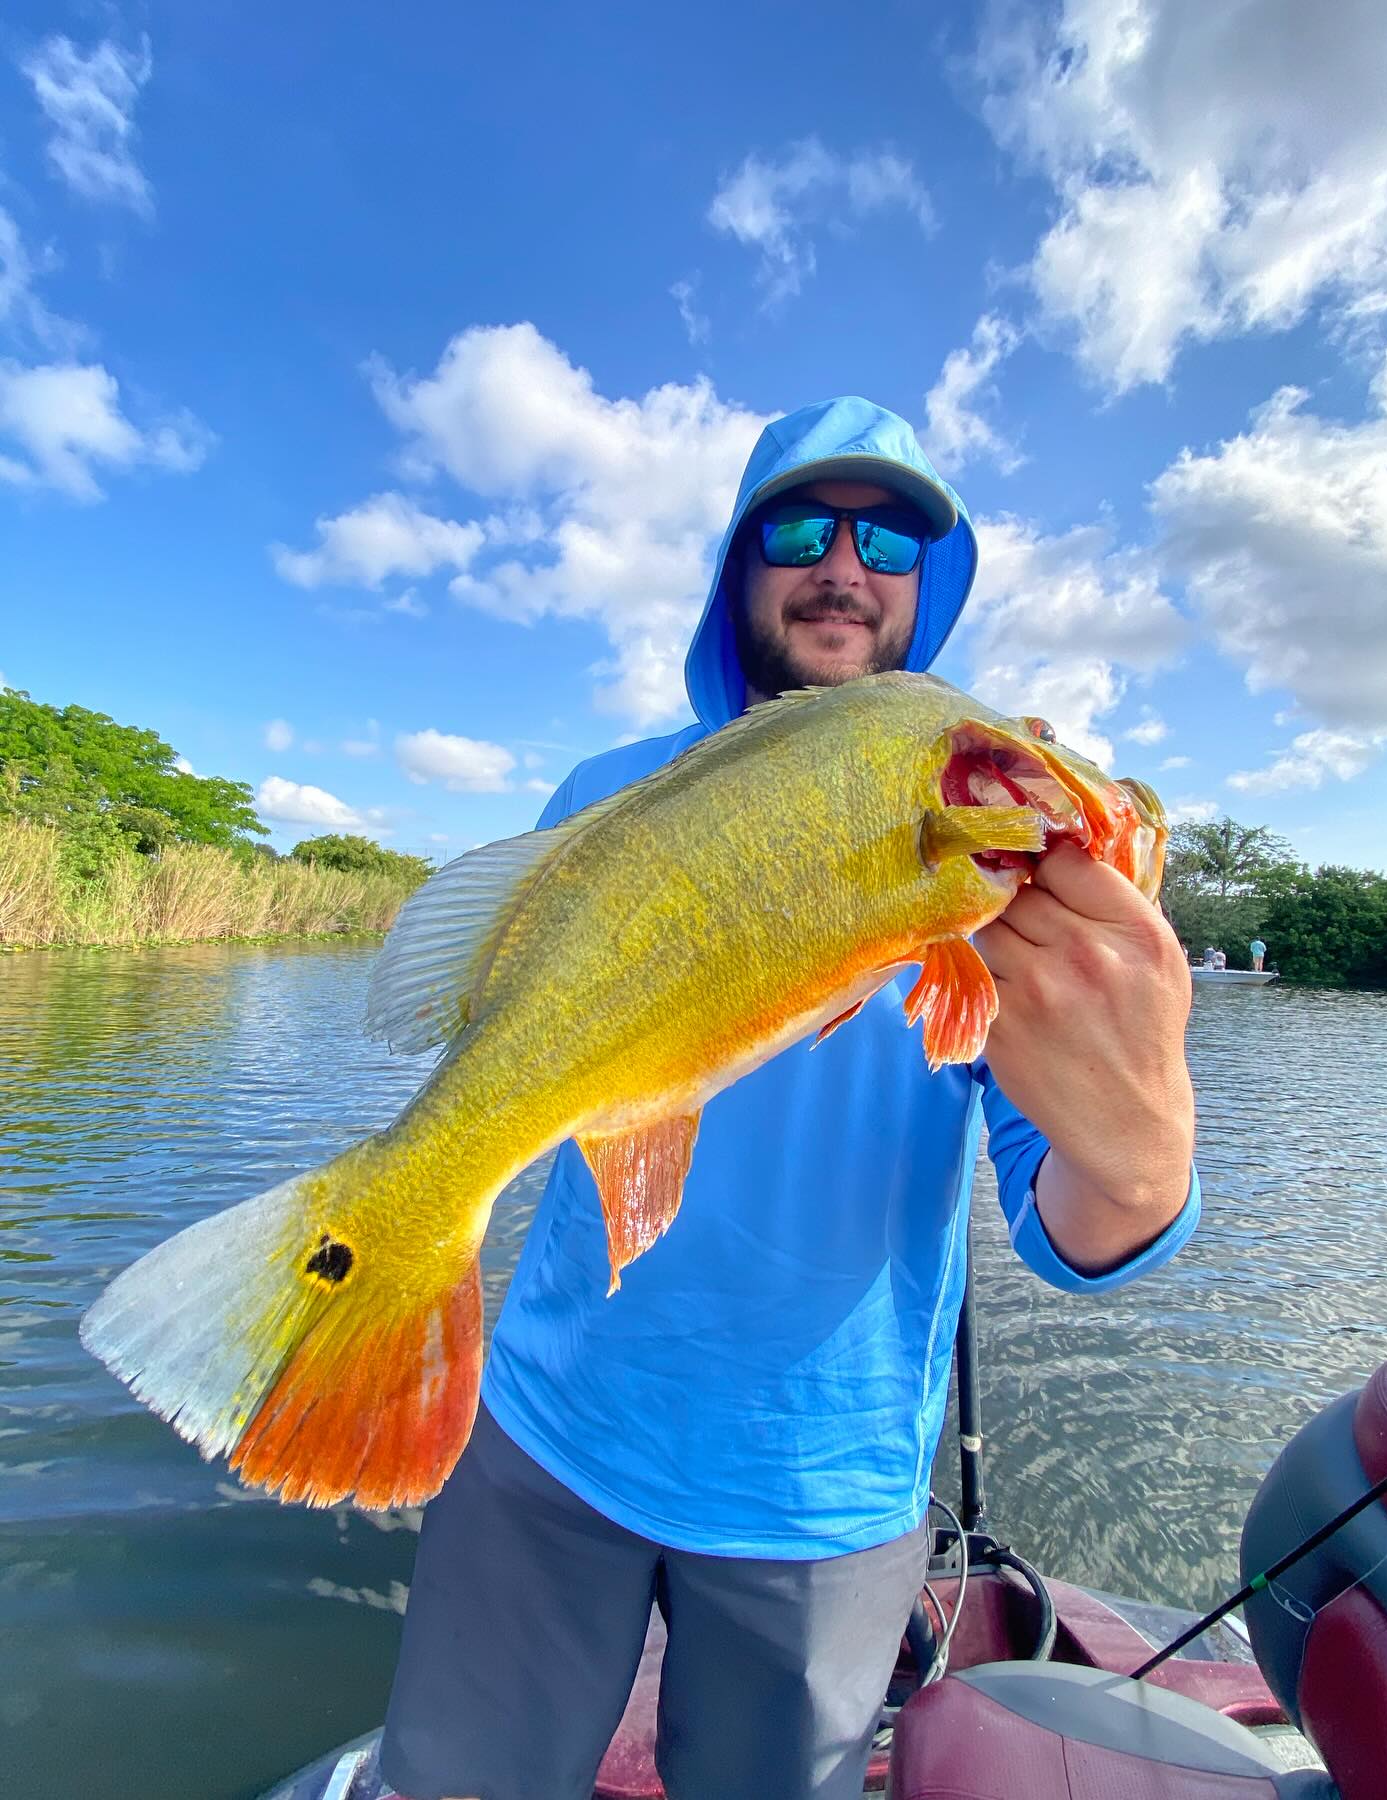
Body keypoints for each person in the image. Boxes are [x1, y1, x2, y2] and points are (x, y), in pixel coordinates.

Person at [380, 397, 1201, 1800]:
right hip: (548, 1427)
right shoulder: (604, 789)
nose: (842, 566)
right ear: (736, 564)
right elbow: (493, 1031)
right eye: (801, 528)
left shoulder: (998, 885)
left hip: (824, 1495)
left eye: (889, 541)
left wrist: (1144, 1158)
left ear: (929, 585)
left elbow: (1075, 1227)